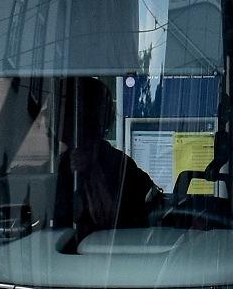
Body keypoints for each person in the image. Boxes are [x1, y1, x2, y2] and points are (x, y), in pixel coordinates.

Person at [54, 86, 157, 251]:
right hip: (61, 267)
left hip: (117, 263)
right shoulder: (57, 170)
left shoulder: (123, 168)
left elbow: (148, 216)